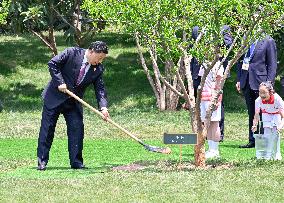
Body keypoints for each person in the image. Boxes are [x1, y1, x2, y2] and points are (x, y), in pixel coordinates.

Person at [37, 41, 109, 170]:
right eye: (99, 58)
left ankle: (76, 162)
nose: (99, 61)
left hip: (74, 101)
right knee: (47, 130)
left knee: (77, 130)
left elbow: (100, 89)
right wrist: (60, 82)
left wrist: (103, 107)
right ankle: (42, 161)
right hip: (54, 97)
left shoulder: (98, 69)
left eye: (102, 59)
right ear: (91, 51)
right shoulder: (71, 52)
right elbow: (53, 63)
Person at [188, 25, 232, 141]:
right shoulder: (196, 28)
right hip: (199, 71)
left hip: (214, 71)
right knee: (201, 108)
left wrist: (214, 38)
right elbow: (191, 50)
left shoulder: (223, 27)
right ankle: (203, 135)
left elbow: (228, 45)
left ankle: (218, 136)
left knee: (215, 112)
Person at [236, 35, 277, 148]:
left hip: (261, 82)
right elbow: (240, 61)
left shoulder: (268, 40)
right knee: (252, 112)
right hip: (247, 80)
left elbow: (272, 64)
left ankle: (264, 139)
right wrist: (239, 79)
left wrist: (269, 84)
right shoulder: (246, 38)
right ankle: (253, 140)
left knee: (264, 112)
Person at [252, 81, 284, 160]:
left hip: (277, 114)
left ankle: (277, 154)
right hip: (266, 114)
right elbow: (256, 114)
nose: (262, 95)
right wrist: (255, 125)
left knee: (275, 133)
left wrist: (281, 125)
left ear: (271, 92)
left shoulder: (278, 99)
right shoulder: (258, 100)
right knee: (267, 133)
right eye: (260, 92)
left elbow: (283, 115)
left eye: (264, 92)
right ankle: (268, 154)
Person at [199, 61, 224, 159]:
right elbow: (202, 79)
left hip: (212, 97)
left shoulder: (218, 64)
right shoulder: (204, 63)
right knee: (207, 123)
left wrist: (217, 98)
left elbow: (219, 82)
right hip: (204, 97)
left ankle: (215, 150)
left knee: (214, 123)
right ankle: (210, 149)